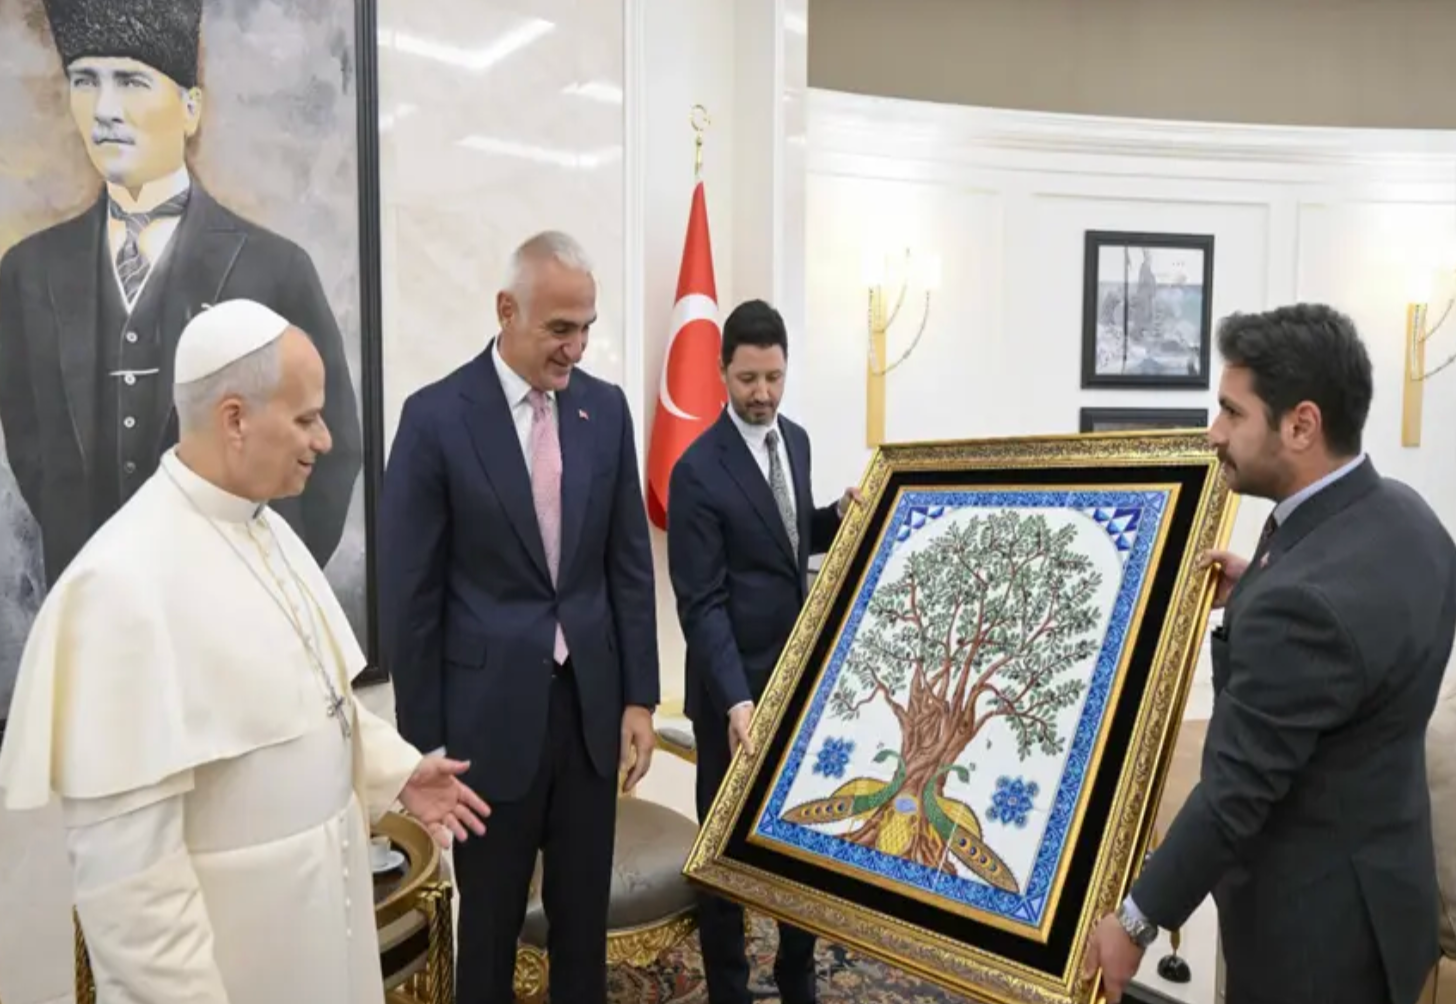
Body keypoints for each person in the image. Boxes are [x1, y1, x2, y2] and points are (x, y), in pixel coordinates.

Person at [0, 299, 490, 1004]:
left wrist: (398, 771)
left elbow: (310, 700)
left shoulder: (267, 529)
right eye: (306, 418)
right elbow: (133, 897)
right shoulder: (119, 588)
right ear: (235, 418)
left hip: (322, 937)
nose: (325, 439)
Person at [1084, 303, 1456, 1004]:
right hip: (1391, 904)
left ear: (1301, 425)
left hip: (1312, 946)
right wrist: (1257, 590)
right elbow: (1356, 656)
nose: (1214, 432)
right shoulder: (1410, 518)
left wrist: (1134, 922)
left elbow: (1232, 797)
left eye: (1232, 412)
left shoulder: (1302, 606)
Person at [379, 231, 660, 1004]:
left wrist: (639, 698)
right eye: (559, 328)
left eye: (587, 327)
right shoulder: (436, 418)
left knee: (582, 931)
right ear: (507, 310)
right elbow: (411, 598)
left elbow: (629, 565)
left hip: (590, 717)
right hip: (484, 729)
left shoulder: (605, 410)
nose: (576, 348)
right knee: (490, 936)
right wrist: (424, 746)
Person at [0, 0, 361, 586]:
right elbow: (31, 447)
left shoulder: (276, 269)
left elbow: (331, 448)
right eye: (85, 81)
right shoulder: (27, 274)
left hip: (232, 600)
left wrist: (263, 580)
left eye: (131, 81)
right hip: (93, 602)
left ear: (190, 108)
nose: (105, 109)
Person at [666, 299, 860, 1004]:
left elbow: (784, 540)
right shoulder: (695, 471)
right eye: (748, 378)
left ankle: (797, 975)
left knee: (801, 842)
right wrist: (736, 700)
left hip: (796, 683)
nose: (763, 393)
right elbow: (702, 602)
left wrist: (835, 517)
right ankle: (729, 988)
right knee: (727, 853)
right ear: (722, 372)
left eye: (774, 377)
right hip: (732, 695)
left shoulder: (795, 441)